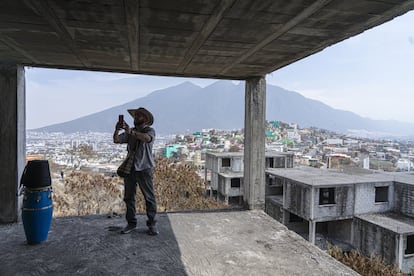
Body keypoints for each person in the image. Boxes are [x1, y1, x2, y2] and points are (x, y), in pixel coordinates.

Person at [113, 107, 158, 235]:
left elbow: (147, 138)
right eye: (135, 116)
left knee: (149, 197)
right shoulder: (130, 132)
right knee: (129, 197)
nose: (136, 118)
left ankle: (152, 224)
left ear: (145, 119)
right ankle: (131, 223)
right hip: (131, 168)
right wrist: (117, 129)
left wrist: (131, 132)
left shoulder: (150, 130)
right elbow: (116, 140)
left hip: (144, 168)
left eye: (139, 116)